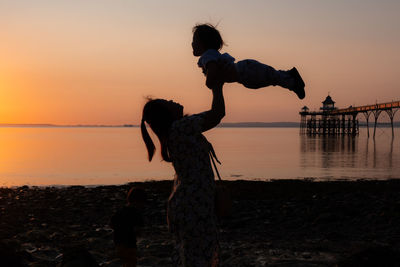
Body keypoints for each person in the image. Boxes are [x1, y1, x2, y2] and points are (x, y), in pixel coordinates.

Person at [141, 85, 225, 266]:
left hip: (188, 203)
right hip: (194, 205)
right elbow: (217, 114)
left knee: (192, 255)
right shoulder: (181, 127)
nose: (172, 101)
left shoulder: (176, 131)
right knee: (198, 257)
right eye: (167, 103)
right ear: (165, 114)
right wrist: (217, 85)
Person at [192, 23, 306, 99]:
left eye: (194, 41)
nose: (192, 44)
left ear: (203, 43)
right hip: (245, 72)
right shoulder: (212, 54)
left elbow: (213, 68)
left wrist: (209, 82)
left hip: (245, 71)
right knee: (270, 77)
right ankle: (289, 76)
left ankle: (293, 82)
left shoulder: (207, 55)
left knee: (270, 77)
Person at [110, 187, 146, 267]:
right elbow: (138, 230)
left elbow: (112, 224)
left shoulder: (120, 211)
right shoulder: (136, 214)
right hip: (130, 245)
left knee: (125, 263)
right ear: (139, 201)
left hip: (118, 243)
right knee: (131, 263)